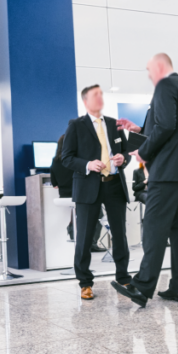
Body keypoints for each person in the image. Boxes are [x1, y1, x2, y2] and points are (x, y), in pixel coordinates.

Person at [113, 54, 178, 308]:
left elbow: (164, 127)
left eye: (150, 70)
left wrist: (143, 152)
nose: (150, 76)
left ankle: (142, 287)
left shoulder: (165, 85)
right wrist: (140, 131)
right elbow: (169, 126)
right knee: (177, 229)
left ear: (160, 66)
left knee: (153, 225)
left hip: (168, 170)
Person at [61, 85, 132, 300]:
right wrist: (87, 164)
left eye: (101, 94)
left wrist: (123, 159)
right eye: (95, 95)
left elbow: (126, 152)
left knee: (119, 234)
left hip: (114, 184)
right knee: (84, 236)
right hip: (88, 186)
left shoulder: (114, 124)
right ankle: (85, 282)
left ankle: (123, 277)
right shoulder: (76, 125)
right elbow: (67, 157)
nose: (100, 97)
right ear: (85, 101)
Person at [49, 133, 76, 240]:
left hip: (64, 195)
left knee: (78, 210)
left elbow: (55, 184)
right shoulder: (76, 160)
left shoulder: (55, 161)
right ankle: (91, 243)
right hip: (79, 195)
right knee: (98, 212)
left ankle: (72, 229)